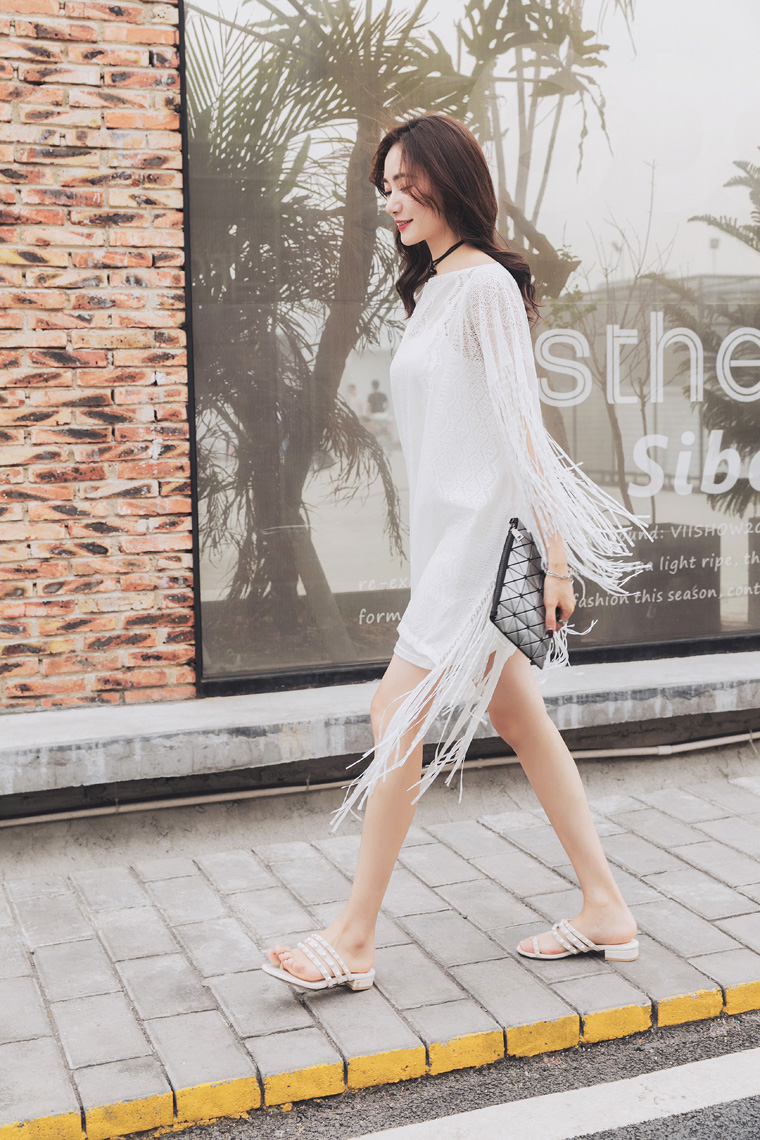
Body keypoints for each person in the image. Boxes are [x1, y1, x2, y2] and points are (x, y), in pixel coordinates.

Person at [264, 114, 644, 992]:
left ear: (449, 179)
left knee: (394, 709)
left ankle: (354, 937)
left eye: (408, 183)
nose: (393, 201)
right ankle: (605, 908)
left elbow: (523, 430)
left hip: (478, 544)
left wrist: (556, 560)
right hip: (449, 540)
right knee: (519, 718)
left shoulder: (484, 288)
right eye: (386, 187)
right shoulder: (434, 288)